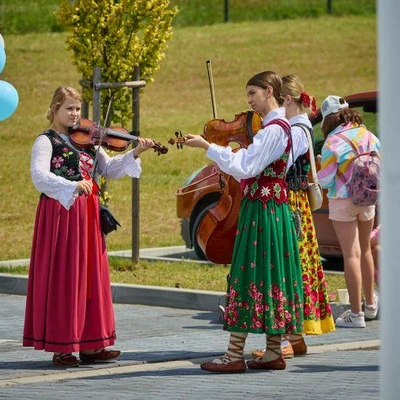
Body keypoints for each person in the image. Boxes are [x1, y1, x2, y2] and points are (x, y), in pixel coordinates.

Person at [184, 71, 307, 373]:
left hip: (262, 210)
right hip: (271, 207)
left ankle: (234, 355)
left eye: (252, 93)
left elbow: (247, 165)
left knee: (248, 271)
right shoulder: (279, 127)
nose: (249, 100)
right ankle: (273, 352)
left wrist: (207, 146)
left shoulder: (273, 130)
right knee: (270, 273)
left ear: (269, 91)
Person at [23, 86, 155, 366]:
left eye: (77, 109)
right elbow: (39, 176)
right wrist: (72, 185)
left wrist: (136, 152)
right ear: (55, 109)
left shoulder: (90, 141)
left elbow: (110, 169)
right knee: (66, 277)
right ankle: (63, 346)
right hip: (60, 215)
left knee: (91, 277)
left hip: (88, 216)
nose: (74, 114)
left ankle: (93, 345)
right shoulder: (46, 141)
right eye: (68, 108)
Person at [251, 74, 335, 360]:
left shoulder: (297, 130)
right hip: (292, 201)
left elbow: (280, 164)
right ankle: (295, 336)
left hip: (292, 204)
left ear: (286, 99)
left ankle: (291, 334)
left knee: (290, 266)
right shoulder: (297, 126)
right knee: (294, 265)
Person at [317, 95, 380, 328]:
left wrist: (319, 164)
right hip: (368, 197)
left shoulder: (333, 143)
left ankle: (356, 314)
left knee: (350, 254)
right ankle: (371, 305)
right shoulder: (368, 135)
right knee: (365, 250)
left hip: (343, 201)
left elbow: (324, 181)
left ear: (329, 120)